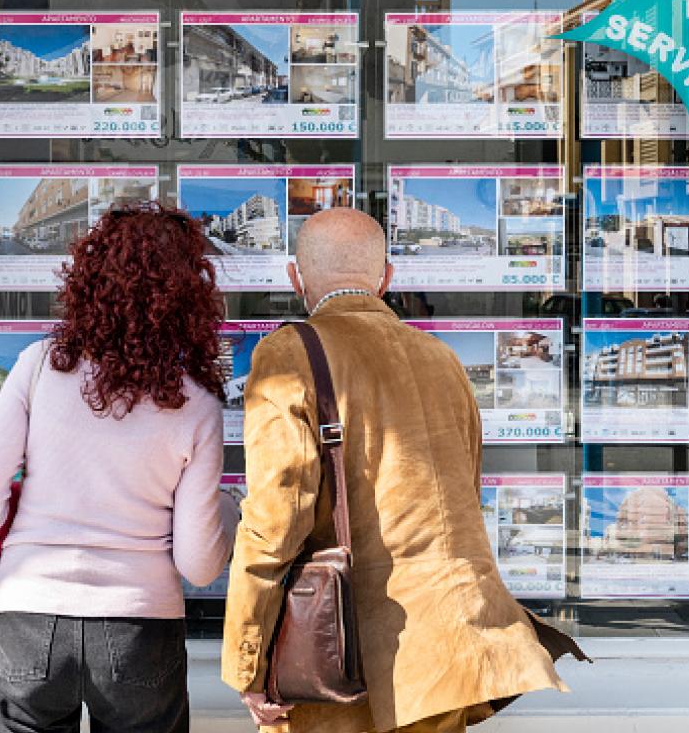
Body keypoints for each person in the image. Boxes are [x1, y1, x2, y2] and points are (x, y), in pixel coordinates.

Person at [222, 208, 584, 733]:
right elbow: (466, 489)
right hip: (452, 649)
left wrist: (246, 664)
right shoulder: (442, 358)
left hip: (346, 661)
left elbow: (273, 525)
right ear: (386, 278)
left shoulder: (288, 354)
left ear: (295, 278)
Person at [0, 206, 238, 733]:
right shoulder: (196, 403)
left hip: (26, 616)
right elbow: (199, 565)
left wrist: (36, 541)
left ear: (89, 281)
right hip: (140, 628)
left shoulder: (39, 366)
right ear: (186, 297)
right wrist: (228, 514)